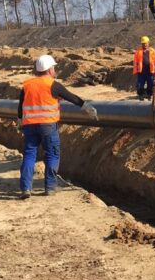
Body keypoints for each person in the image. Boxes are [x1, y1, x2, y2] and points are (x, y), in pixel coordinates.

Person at [18, 54, 97, 199]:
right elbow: (71, 97)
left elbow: (20, 105)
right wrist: (87, 107)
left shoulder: (27, 85)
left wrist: (19, 120)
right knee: (52, 154)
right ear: (49, 69)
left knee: (29, 155)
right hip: (48, 126)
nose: (55, 70)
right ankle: (50, 187)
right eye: (53, 67)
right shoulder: (53, 84)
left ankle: (25, 189)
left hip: (29, 126)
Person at [132, 35, 155, 101]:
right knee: (140, 84)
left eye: (145, 43)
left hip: (150, 71)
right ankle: (141, 95)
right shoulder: (138, 51)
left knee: (150, 84)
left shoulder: (153, 51)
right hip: (141, 72)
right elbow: (135, 62)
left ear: (148, 43)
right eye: (143, 43)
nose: (144, 45)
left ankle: (149, 94)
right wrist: (136, 71)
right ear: (141, 44)